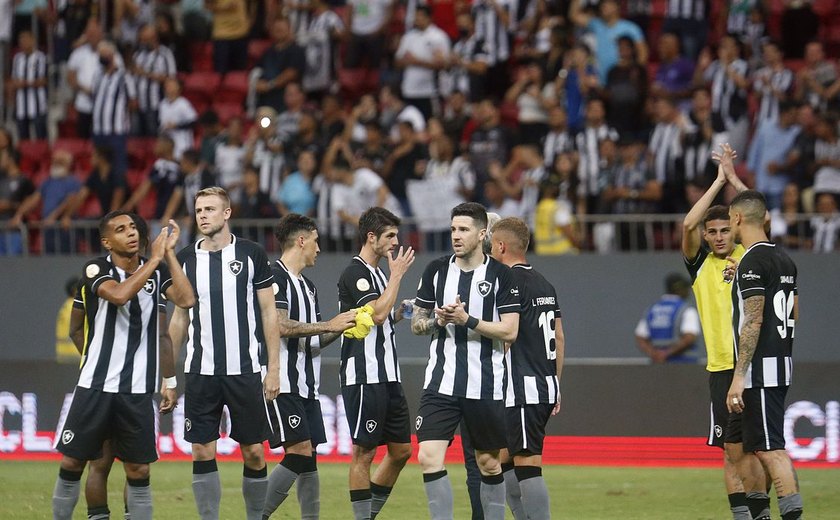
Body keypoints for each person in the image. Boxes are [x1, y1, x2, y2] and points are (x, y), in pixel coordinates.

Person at [51, 211, 194, 520]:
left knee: (139, 468)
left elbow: (186, 299)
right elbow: (117, 295)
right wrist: (93, 358)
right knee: (75, 462)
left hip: (138, 390)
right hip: (96, 387)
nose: (130, 232)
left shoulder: (155, 271)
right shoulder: (95, 268)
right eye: (120, 229)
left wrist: (167, 255)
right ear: (107, 241)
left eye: (132, 227)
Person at [168, 187, 281, 520]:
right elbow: (179, 318)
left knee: (254, 453)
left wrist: (273, 368)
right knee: (201, 449)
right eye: (199, 209)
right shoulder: (186, 258)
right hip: (201, 371)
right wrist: (168, 377)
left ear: (227, 213)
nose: (202, 215)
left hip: (245, 369)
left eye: (210, 209)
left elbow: (269, 312)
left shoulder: (251, 254)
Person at [411, 202, 520, 520]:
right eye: (453, 230)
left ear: (482, 233)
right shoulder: (436, 270)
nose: (456, 236)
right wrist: (439, 321)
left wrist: (467, 319)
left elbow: (510, 331)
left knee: (488, 463)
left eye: (463, 230)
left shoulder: (502, 276)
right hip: (441, 384)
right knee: (429, 456)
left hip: (484, 385)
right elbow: (418, 324)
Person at [262, 214, 356, 518]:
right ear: (301, 240)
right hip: (282, 381)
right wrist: (328, 322)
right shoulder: (273, 277)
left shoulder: (309, 287)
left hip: (306, 386)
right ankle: (256, 513)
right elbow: (280, 325)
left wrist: (340, 327)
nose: (319, 249)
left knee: (310, 456)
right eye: (316, 241)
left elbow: (310, 341)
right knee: (299, 451)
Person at [726, 190, 804, 520]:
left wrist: (739, 377)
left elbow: (754, 320)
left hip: (760, 370)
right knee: (752, 446)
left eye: (730, 219)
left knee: (771, 449)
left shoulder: (753, 262)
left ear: (738, 219)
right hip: (779, 362)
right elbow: (795, 312)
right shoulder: (783, 260)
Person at [337, 207, 415, 520]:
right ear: (371, 237)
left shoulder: (379, 274)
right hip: (364, 375)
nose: (396, 242)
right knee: (364, 452)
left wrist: (404, 312)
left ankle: (367, 515)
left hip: (387, 375)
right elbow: (376, 313)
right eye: (390, 236)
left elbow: (382, 319)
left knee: (401, 451)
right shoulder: (355, 272)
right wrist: (397, 277)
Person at [489, 217, 564, 520]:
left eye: (491, 246)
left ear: (501, 246)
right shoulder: (544, 283)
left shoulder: (508, 284)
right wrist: (556, 384)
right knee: (501, 459)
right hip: (542, 386)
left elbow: (507, 334)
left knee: (528, 464)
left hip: (523, 388)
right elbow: (558, 336)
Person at [634, 273, 701, 363]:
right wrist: (667, 353)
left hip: (658, 365)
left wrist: (654, 354)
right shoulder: (686, 310)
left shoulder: (652, 309)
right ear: (679, 289)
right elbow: (689, 337)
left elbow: (640, 337)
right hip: (684, 364)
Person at [11, 30, 48, 140]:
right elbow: (14, 81)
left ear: (33, 41)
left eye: (26, 40)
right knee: (23, 139)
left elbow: (44, 80)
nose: (23, 43)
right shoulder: (17, 59)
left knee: (41, 138)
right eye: (21, 41)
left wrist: (26, 83)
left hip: (38, 105)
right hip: (21, 106)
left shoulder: (41, 57)